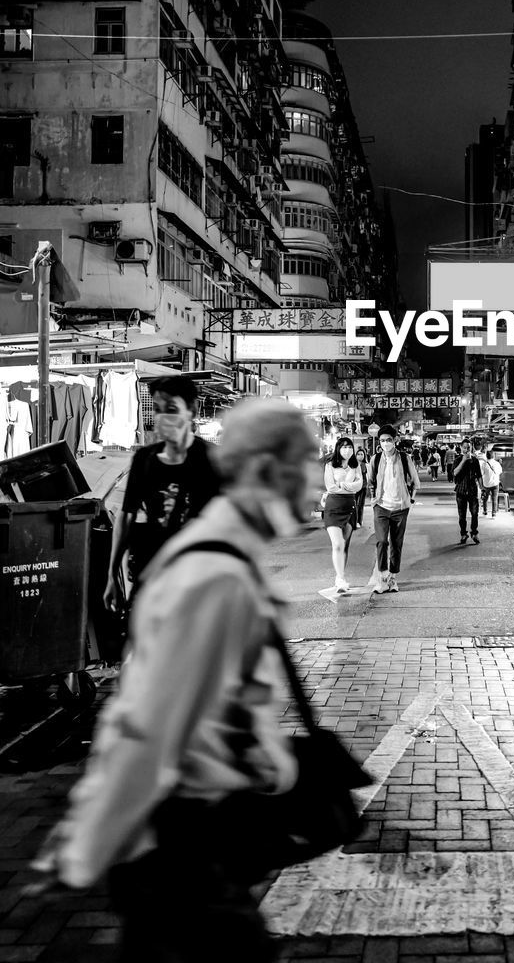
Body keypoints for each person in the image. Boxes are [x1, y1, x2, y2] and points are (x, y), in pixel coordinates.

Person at [36, 398, 319, 963]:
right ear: (266, 472)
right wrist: (87, 848)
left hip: (203, 834)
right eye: (306, 463)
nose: (319, 479)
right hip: (183, 847)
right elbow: (147, 720)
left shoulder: (228, 559)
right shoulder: (213, 574)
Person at [104, 375, 220, 614]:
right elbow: (126, 517)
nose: (163, 416)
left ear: (191, 411)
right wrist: (112, 575)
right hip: (150, 574)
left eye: (171, 409)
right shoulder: (144, 460)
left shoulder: (211, 460)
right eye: (157, 409)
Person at [367, 424, 418, 593]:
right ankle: (382, 577)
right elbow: (371, 481)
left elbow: (415, 481)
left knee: (397, 543)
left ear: (395, 440)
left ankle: (393, 578)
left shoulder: (404, 458)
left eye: (389, 440)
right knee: (382, 541)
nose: (385, 443)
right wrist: (373, 499)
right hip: (381, 506)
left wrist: (411, 498)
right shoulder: (375, 459)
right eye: (382, 440)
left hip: (401, 508)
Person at [323, 437, 363, 594]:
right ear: (338, 449)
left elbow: (359, 486)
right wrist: (349, 488)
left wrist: (344, 485)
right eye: (344, 447)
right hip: (333, 507)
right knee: (337, 543)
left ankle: (340, 577)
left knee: (344, 545)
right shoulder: (330, 465)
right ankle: (339, 578)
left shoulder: (355, 465)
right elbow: (331, 487)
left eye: (350, 447)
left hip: (350, 508)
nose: (347, 450)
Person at [454, 438, 483, 545]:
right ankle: (463, 534)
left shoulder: (475, 461)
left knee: (474, 513)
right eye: (465, 448)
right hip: (461, 491)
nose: (467, 450)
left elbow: (479, 475)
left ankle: (474, 533)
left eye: (469, 448)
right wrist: (463, 460)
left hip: (472, 491)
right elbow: (455, 473)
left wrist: (482, 488)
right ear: (461, 448)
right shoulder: (457, 460)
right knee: (462, 516)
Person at [481, 450, 502, 517]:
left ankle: (485, 511)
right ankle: (494, 513)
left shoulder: (484, 464)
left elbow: (481, 473)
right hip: (495, 483)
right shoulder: (497, 464)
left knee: (485, 498)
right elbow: (500, 472)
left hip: (486, 484)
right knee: (494, 498)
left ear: (486, 456)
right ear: (493, 456)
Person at [353, 446, 369, 529]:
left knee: (360, 505)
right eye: (358, 454)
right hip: (354, 488)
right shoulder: (352, 465)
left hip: (363, 487)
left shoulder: (365, 465)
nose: (360, 455)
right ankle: (354, 521)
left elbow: (368, 476)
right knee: (354, 505)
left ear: (364, 455)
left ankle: (359, 521)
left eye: (362, 454)